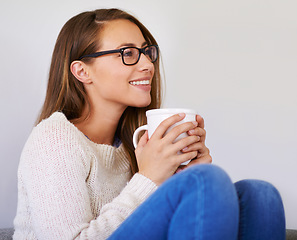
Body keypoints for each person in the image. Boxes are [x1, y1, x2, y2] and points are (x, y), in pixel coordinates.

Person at [13, 8, 285, 240]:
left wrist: (179, 177)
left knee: (260, 195)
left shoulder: (134, 142)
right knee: (206, 182)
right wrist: (150, 178)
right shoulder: (55, 139)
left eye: (146, 52)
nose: (147, 64)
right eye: (128, 53)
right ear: (82, 72)